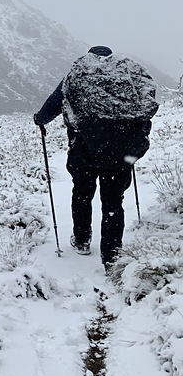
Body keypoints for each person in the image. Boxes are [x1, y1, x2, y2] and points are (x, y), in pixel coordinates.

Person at [33, 45, 158, 270]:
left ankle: (82, 240)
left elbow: (54, 102)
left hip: (84, 150)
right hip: (121, 153)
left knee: (82, 193)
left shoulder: (79, 75)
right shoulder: (125, 76)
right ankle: (112, 257)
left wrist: (40, 120)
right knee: (113, 202)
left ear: (90, 57)